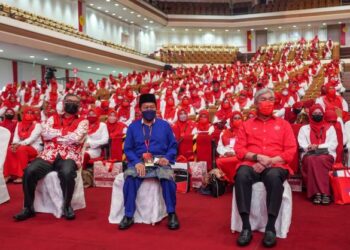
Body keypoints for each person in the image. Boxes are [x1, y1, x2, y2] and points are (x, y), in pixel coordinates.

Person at [234, 88, 297, 247]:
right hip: (251, 163)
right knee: (241, 175)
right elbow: (239, 150)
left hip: (276, 163)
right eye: (264, 99)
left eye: (271, 99)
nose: (268, 102)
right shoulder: (245, 125)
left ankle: (270, 227)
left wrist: (269, 161)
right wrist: (256, 157)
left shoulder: (284, 125)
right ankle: (246, 227)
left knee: (274, 177)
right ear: (255, 103)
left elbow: (290, 151)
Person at [13, 94, 88, 221]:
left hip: (69, 155)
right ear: (63, 103)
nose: (72, 104)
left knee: (67, 172)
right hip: (48, 155)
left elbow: (77, 138)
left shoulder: (83, 121)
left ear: (79, 106)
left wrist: (55, 135)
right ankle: (28, 208)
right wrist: (65, 134)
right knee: (29, 171)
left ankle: (67, 206)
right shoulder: (53, 118)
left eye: (75, 102)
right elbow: (45, 133)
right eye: (69, 101)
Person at [119, 93, 179, 230]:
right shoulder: (133, 127)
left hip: (159, 159)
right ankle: (128, 215)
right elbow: (128, 149)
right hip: (140, 160)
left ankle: (172, 213)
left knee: (168, 178)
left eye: (152, 107)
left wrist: (167, 158)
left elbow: (173, 145)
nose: (149, 110)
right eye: (145, 107)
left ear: (156, 109)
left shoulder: (165, 126)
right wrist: (136, 162)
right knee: (130, 178)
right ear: (140, 110)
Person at [298, 104, 338, 205]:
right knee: (312, 159)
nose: (318, 115)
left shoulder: (330, 128)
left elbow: (333, 144)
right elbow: (301, 143)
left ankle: (320, 193)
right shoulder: (304, 128)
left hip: (327, 154)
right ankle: (322, 193)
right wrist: (309, 146)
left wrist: (318, 147)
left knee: (321, 159)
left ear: (323, 114)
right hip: (309, 153)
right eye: (315, 113)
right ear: (310, 115)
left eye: (320, 113)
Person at [3, 107, 42, 183]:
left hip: (34, 147)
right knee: (9, 149)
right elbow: (16, 137)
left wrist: (18, 145)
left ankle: (21, 175)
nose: (29, 115)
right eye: (27, 113)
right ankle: (9, 174)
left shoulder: (38, 125)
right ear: (23, 114)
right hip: (20, 145)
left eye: (31, 113)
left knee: (21, 149)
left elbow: (31, 139)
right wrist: (14, 144)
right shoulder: (19, 124)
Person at [216, 111, 242, 184]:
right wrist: (226, 152)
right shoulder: (224, 132)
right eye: (235, 118)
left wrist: (234, 153)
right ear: (231, 120)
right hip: (227, 154)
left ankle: (238, 180)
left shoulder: (245, 132)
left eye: (239, 118)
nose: (237, 120)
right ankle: (229, 180)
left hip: (239, 155)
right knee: (219, 161)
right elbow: (219, 146)